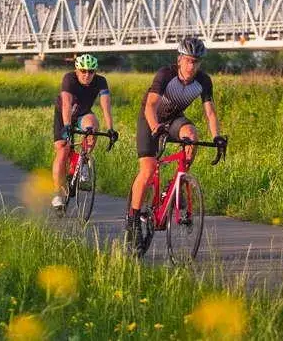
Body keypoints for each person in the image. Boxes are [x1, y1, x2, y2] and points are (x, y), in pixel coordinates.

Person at [125, 36, 227, 249]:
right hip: (150, 119)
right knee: (148, 169)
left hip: (173, 119)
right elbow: (151, 105)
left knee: (191, 134)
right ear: (180, 59)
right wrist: (155, 127)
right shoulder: (165, 74)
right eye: (188, 60)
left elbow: (210, 112)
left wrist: (217, 136)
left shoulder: (204, 81)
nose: (192, 66)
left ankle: (178, 183)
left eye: (196, 62)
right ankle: (133, 220)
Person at [51, 54, 115, 211]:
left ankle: (84, 161)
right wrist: (67, 126)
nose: (87, 75)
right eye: (84, 71)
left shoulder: (101, 81)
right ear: (77, 70)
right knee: (62, 150)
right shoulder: (69, 79)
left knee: (92, 127)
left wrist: (111, 128)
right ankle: (58, 193)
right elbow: (66, 103)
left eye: (91, 71)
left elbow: (106, 106)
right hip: (64, 115)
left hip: (83, 113)